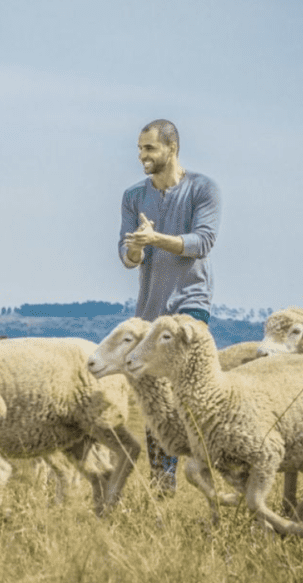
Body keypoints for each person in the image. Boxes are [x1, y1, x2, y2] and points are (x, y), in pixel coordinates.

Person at [118, 118, 221, 495]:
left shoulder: (203, 189)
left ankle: (212, 472)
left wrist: (155, 237)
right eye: (140, 148)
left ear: (171, 149)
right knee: (155, 401)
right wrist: (135, 247)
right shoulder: (133, 196)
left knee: (193, 394)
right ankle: (162, 485)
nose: (142, 155)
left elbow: (203, 242)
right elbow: (127, 256)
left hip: (189, 305)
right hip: (149, 311)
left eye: (149, 148)